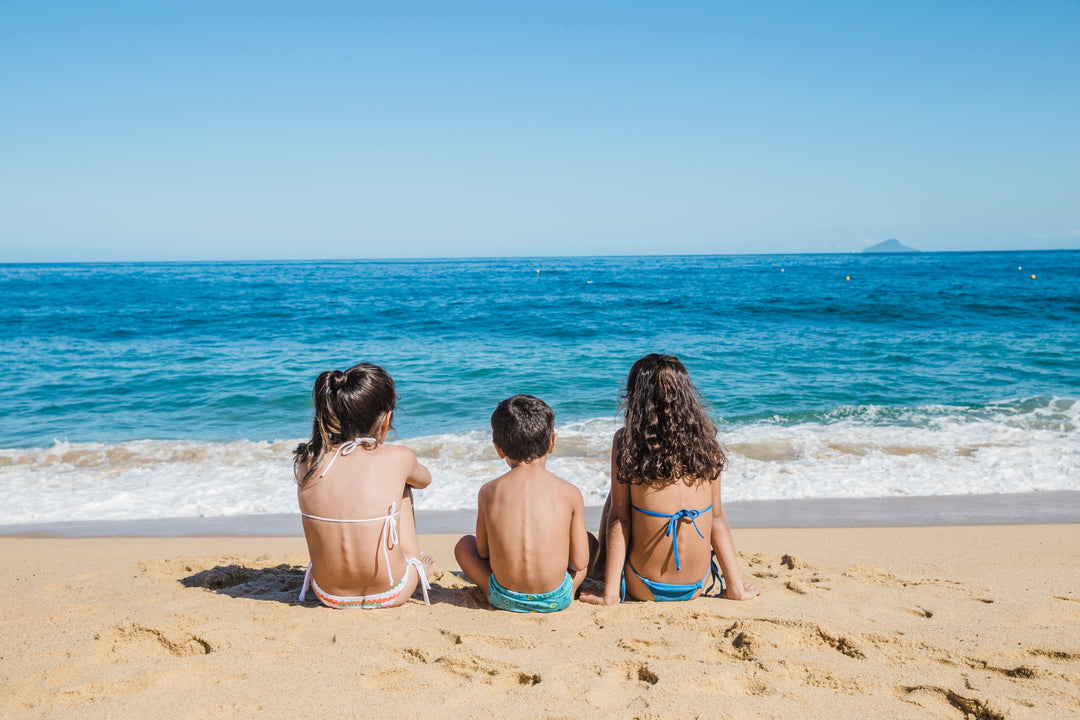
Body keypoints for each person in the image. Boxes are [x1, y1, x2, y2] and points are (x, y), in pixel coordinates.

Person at [581, 354, 759, 604]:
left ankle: (601, 572)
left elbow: (620, 520)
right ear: (687, 396)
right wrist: (736, 588)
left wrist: (611, 594)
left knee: (617, 499)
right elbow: (716, 518)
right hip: (697, 584)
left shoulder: (626, 441)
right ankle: (733, 588)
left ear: (636, 396)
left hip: (642, 584)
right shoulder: (707, 443)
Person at [294, 363, 432, 609]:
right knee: (404, 487)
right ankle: (415, 563)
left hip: (327, 593)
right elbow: (424, 479)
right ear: (386, 419)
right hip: (391, 591)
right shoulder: (398, 457)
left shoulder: (309, 461)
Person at [455, 395, 596, 613]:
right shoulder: (570, 492)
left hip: (503, 597)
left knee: (464, 546)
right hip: (557, 599)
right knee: (589, 542)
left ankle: (488, 590)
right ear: (552, 443)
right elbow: (579, 562)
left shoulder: (489, 491)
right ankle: (570, 590)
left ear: (498, 448)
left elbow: (482, 552)